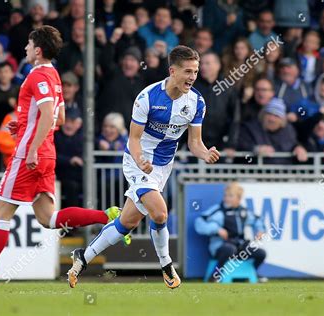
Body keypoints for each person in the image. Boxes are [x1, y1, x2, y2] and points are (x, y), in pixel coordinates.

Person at [0, 26, 121, 287]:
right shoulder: (54, 76)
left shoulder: (37, 76)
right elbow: (59, 118)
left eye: (29, 45)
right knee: (48, 219)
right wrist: (23, 126)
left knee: (1, 212)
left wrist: (30, 146)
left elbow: (46, 114)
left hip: (30, 154)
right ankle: (107, 216)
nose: (25, 49)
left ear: (38, 50)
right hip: (48, 154)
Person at [67, 45, 220, 289]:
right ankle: (166, 264)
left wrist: (206, 154)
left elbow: (194, 143)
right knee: (160, 213)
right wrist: (140, 161)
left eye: (196, 72)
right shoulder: (147, 97)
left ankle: (82, 257)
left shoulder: (197, 103)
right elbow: (133, 139)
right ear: (172, 71)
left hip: (162, 167)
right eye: (188, 71)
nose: (193, 77)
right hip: (138, 162)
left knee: (126, 223)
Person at [194, 182, 267, 282]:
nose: (227, 198)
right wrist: (217, 229)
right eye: (225, 195)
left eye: (231, 196)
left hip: (239, 247)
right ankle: (215, 275)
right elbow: (199, 222)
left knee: (261, 253)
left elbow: (258, 220)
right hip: (221, 247)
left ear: (239, 198)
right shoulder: (219, 211)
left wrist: (260, 230)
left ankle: (251, 272)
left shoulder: (244, 212)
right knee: (229, 249)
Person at [238, 97, 308, 165]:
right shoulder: (250, 128)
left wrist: (298, 148)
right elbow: (240, 145)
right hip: (256, 173)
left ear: (282, 120)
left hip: (283, 174)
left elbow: (293, 144)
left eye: (276, 116)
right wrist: (255, 149)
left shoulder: (289, 130)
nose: (272, 119)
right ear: (263, 115)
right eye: (269, 114)